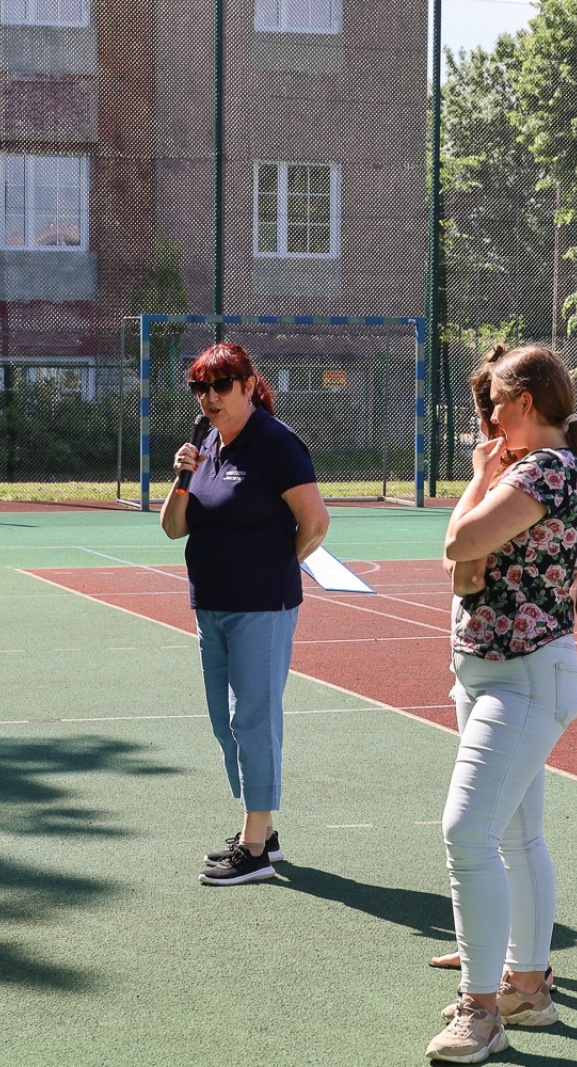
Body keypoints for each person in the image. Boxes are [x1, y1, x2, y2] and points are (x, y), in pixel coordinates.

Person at [430, 343, 577, 1063]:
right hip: (491, 673)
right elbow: (463, 568)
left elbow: (460, 540)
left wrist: (477, 484)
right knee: (514, 836)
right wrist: (482, 480)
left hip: (522, 677)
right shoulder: (523, 468)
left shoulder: (547, 467)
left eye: (497, 404)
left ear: (527, 405)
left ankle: (481, 1008)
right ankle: (528, 988)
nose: (488, 415)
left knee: (466, 830)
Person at [160, 342, 329, 886]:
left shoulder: (275, 444)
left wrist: (276, 564)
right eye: (199, 388)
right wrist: (182, 476)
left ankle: (255, 848)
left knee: (252, 718)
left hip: (261, 606)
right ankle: (264, 831)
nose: (209, 397)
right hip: (210, 602)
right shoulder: (207, 440)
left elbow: (316, 523)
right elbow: (173, 528)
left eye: (220, 386)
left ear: (248, 385)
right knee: (223, 719)